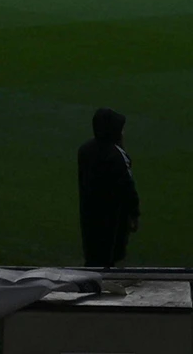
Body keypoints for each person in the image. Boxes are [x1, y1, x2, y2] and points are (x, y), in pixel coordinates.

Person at [76, 107, 138, 267]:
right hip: (114, 216)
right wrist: (134, 213)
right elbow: (127, 187)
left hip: (89, 212)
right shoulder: (117, 155)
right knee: (109, 256)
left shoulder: (85, 150)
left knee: (93, 254)